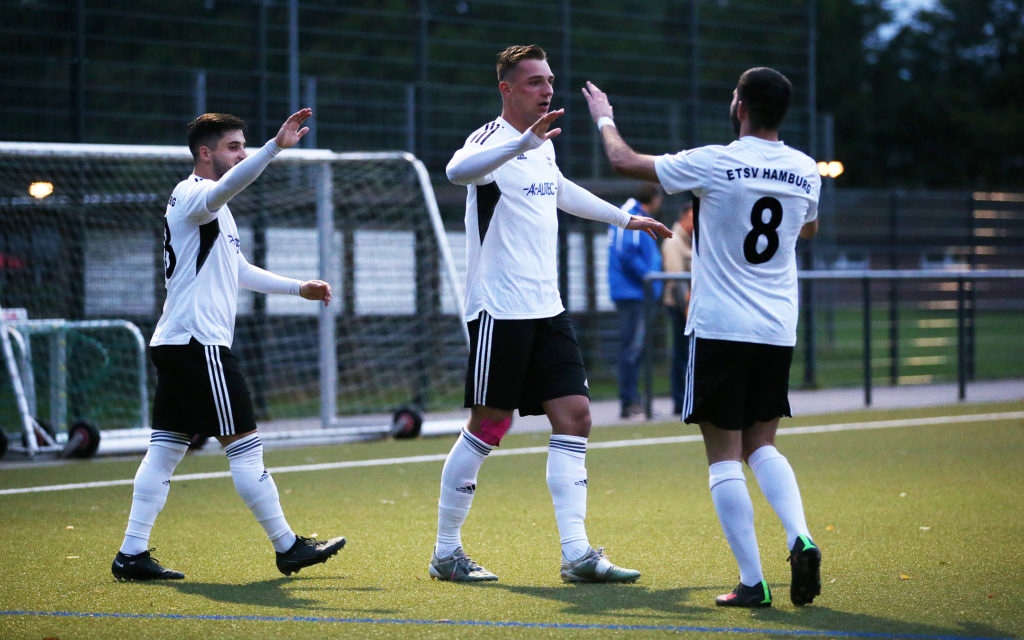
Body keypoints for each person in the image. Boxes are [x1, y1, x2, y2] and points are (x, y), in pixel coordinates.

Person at [431, 44, 671, 584]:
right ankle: (446, 553)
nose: (547, 90)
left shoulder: (544, 145)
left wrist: (626, 221)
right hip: (499, 309)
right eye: (535, 81)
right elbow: (455, 171)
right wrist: (521, 142)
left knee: (576, 416)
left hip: (547, 308)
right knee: (490, 425)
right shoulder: (490, 140)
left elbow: (560, 191)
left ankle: (577, 554)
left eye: (549, 80)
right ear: (506, 89)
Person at [583, 67, 822, 608]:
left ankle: (753, 582)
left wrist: (604, 119)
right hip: (777, 326)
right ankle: (800, 536)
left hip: (720, 326)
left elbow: (623, 160)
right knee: (763, 445)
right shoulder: (806, 169)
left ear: (740, 107)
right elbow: (807, 228)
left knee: (724, 456)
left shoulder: (715, 161)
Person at [111, 109, 346, 581]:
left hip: (179, 341)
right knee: (245, 446)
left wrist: (298, 287)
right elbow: (227, 188)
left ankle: (131, 555)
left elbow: (237, 269)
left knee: (164, 450)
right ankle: (287, 546)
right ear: (205, 153)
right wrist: (274, 148)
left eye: (244, 146)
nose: (241, 154)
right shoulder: (193, 193)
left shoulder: (211, 205)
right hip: (198, 343)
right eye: (233, 147)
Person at [607, 183, 664, 420]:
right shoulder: (631, 214)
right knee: (632, 349)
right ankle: (629, 402)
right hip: (633, 293)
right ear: (655, 198)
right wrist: (648, 277)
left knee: (636, 350)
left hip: (640, 293)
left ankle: (636, 401)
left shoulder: (636, 214)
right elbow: (626, 253)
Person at [661, 202, 694, 416]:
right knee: (681, 354)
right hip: (680, 306)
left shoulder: (690, 240)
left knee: (687, 354)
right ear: (683, 218)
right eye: (692, 217)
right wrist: (687, 309)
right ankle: (680, 401)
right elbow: (676, 279)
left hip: (690, 306)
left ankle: (686, 399)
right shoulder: (673, 240)